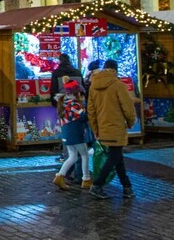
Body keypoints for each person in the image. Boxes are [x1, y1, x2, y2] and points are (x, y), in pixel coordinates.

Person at [87, 59, 137, 200]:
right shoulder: (117, 85)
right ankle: (97, 185)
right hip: (116, 127)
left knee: (117, 157)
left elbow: (91, 111)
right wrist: (131, 122)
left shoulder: (93, 86)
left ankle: (127, 187)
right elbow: (127, 107)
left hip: (103, 128)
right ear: (115, 70)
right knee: (114, 157)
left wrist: (96, 129)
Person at [52, 79, 92, 190]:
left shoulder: (63, 104)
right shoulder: (74, 105)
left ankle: (60, 176)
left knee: (73, 156)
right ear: (76, 93)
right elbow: (84, 117)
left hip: (67, 135)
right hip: (76, 134)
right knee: (84, 155)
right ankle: (86, 179)